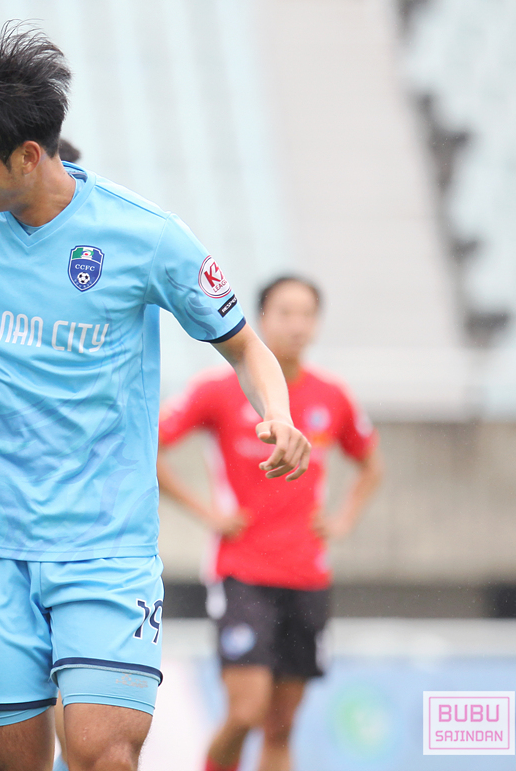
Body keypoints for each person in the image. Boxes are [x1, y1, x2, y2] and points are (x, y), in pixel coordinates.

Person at [0, 25, 312, 771]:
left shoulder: (145, 236)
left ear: (28, 156)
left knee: (104, 754)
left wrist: (278, 412)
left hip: (105, 547)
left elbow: (244, 346)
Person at [157, 276, 382, 771]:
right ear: (261, 317)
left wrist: (342, 519)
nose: (297, 325)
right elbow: (150, 447)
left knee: (281, 726)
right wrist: (207, 513)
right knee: (245, 712)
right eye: (286, 312)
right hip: (242, 573)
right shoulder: (218, 390)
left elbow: (371, 464)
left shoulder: (332, 395)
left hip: (307, 575)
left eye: (307, 314)